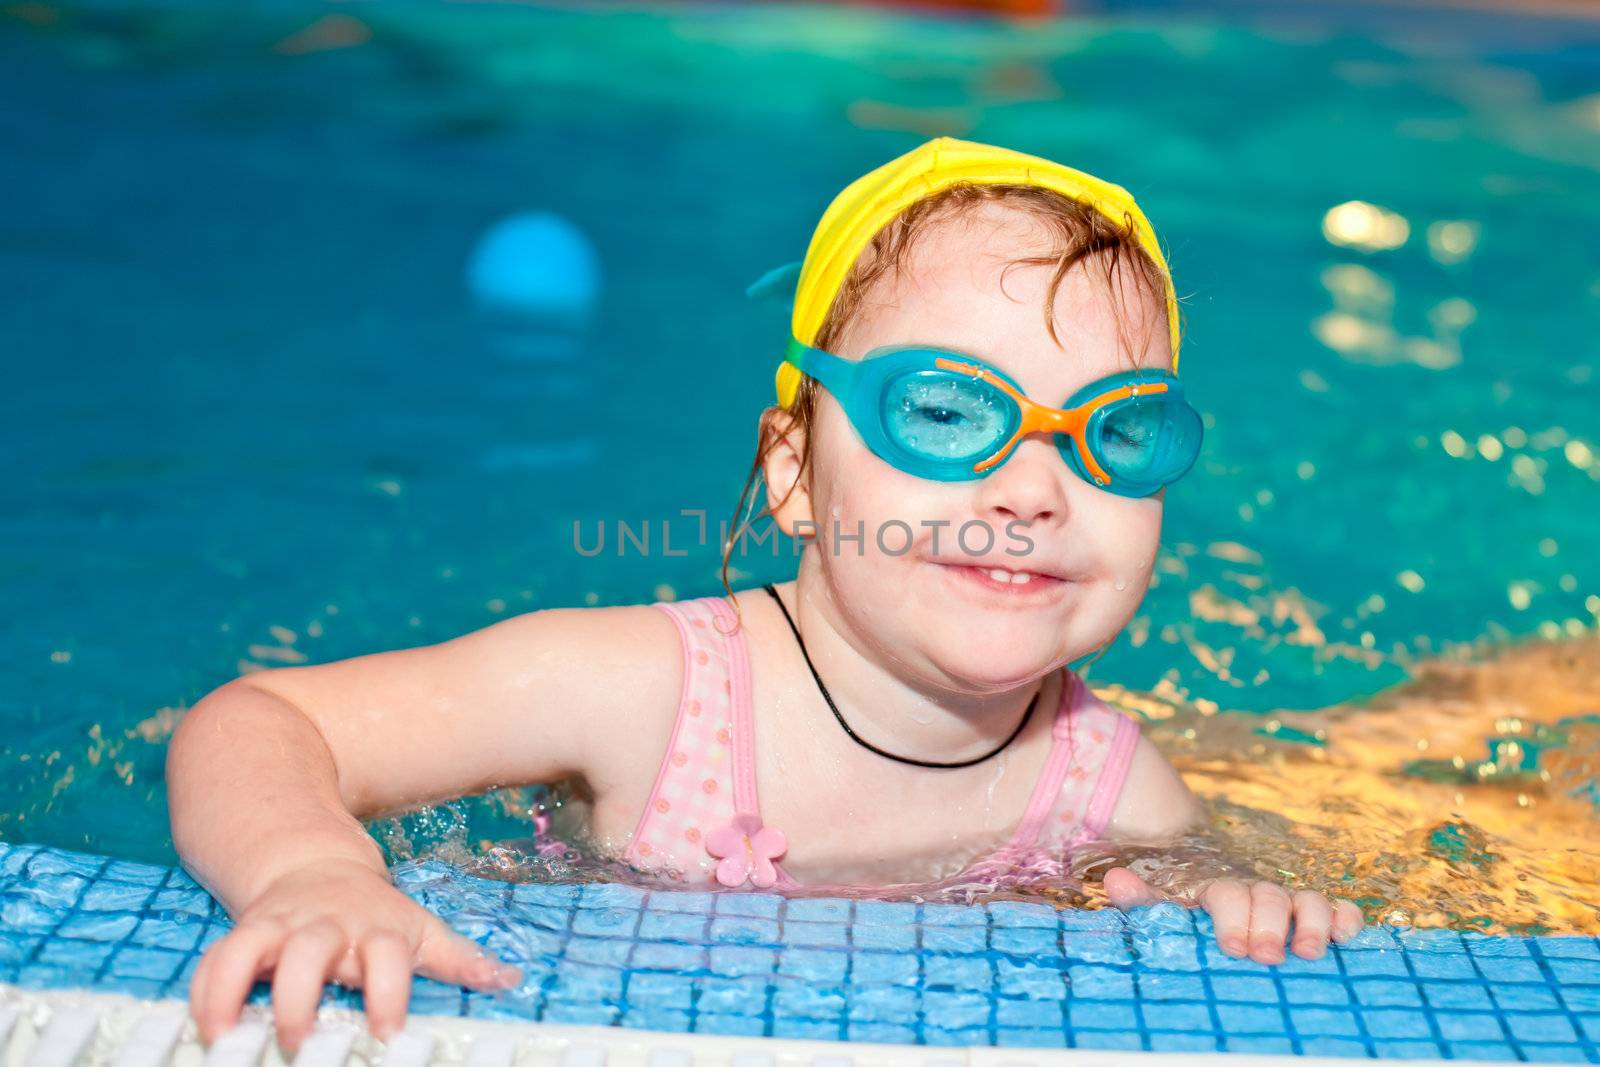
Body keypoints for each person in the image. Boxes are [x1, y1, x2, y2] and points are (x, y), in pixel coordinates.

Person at [167, 136, 1363, 1055]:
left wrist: (1228, 890)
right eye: (944, 411)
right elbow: (263, 722)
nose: (1034, 490)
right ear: (793, 471)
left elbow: (1203, 881)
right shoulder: (637, 691)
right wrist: (310, 871)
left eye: (1118, 430)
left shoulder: (1107, 776)